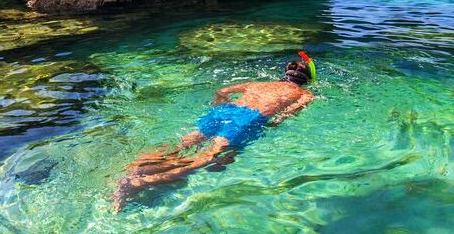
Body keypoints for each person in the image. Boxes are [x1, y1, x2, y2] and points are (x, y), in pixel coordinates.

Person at [113, 53, 317, 210]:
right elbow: (286, 116)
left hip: (224, 110)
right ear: (306, 80)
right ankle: (138, 184)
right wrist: (269, 126)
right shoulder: (305, 94)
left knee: (182, 144)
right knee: (204, 159)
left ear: (286, 73)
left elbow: (222, 92)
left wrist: (218, 108)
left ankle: (135, 169)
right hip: (249, 120)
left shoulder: (258, 83)